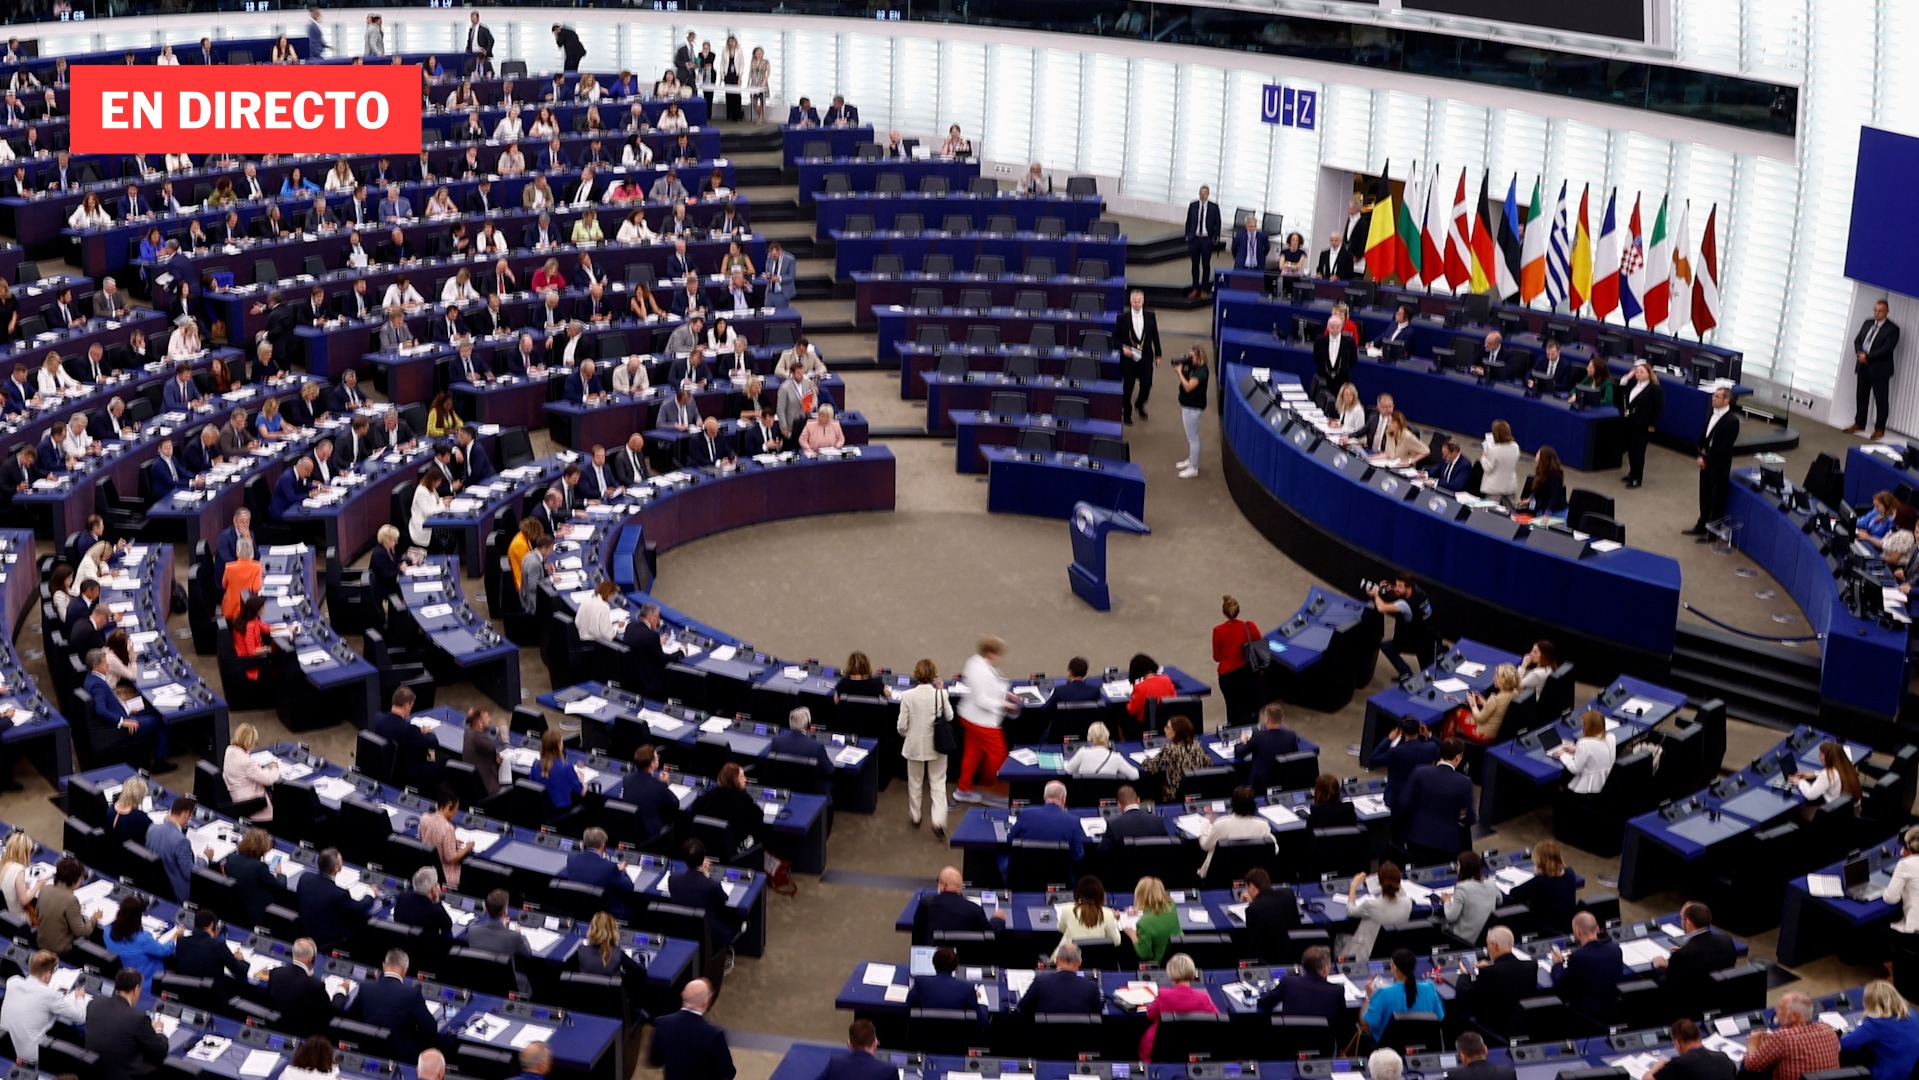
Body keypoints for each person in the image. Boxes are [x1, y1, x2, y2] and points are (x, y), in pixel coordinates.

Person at [953, 636, 1019, 805]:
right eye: (998, 654)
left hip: (970, 717)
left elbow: (990, 687)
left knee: (972, 754)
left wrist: (1006, 694)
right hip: (981, 722)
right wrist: (1004, 703)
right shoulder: (981, 672)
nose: (1000, 658)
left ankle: (964, 789)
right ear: (990, 653)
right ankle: (994, 791)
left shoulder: (975, 662)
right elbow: (982, 699)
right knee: (998, 756)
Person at [2, 948, 87, 1065]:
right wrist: (80, 997)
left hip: (5, 1044)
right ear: (48, 974)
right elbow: (80, 1017)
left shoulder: (13, 982)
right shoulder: (50, 995)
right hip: (33, 1053)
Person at [1398, 738, 1475, 866]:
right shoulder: (1464, 783)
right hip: (1447, 844)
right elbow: (1469, 818)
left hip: (1417, 838)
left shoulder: (1420, 772)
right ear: (1457, 757)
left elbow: (1403, 803)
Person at [353, 950, 439, 1061]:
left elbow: (353, 1016)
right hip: (402, 1056)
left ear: (384, 965)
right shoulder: (412, 994)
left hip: (369, 1051)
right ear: (405, 970)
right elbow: (431, 1027)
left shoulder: (365, 987)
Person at [85, 968, 167, 1080]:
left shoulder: (93, 1004)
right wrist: (158, 1030)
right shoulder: (138, 1018)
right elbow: (160, 1050)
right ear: (137, 989)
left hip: (96, 1072)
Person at [1449, 925, 1533, 1035]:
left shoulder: (1490, 973)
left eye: (1488, 945)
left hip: (1494, 1027)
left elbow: (1467, 996)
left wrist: (1465, 974)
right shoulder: (1531, 966)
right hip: (1520, 1023)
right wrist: (1491, 965)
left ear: (1494, 946)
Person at [296, 847, 379, 953]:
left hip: (306, 931)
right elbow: (360, 908)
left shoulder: (305, 878)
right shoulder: (339, 894)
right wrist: (370, 893)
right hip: (329, 939)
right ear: (336, 868)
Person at [650, 979, 736, 1080]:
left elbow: (655, 1060)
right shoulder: (713, 1035)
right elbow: (728, 1073)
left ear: (682, 995)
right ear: (706, 1002)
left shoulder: (662, 1023)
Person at [1744, 992, 1841, 1080]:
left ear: (1794, 1016)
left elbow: (1752, 1065)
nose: (1775, 1010)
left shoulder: (1782, 1038)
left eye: (1780, 1007)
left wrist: (1752, 1044)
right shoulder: (1828, 1029)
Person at [1550, 911, 1626, 1022]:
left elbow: (1561, 982)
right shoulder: (1615, 950)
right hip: (1613, 1007)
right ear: (1597, 929)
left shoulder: (1579, 958)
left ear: (1577, 932)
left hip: (1588, 1013)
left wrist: (1557, 963)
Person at [1141, 953, 1218, 1061]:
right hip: (1194, 1049)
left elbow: (1150, 1015)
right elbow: (1216, 1020)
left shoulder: (1164, 994)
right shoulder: (1203, 998)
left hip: (1161, 1047)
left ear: (1171, 973)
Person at [1685, 387, 1740, 541]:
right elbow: (1705, 436)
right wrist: (1699, 454)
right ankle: (1701, 525)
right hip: (1706, 463)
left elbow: (1724, 446)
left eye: (1717, 396)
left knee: (1717, 500)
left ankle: (1712, 533)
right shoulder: (1712, 413)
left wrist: (1707, 459)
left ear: (1726, 400)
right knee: (1704, 496)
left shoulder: (1732, 421)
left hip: (1719, 467)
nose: (1713, 398)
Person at [266, 938, 347, 1037]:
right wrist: (341, 990)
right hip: (308, 1034)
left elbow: (270, 1000)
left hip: (281, 1026)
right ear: (311, 959)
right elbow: (334, 1011)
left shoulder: (276, 972)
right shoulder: (316, 985)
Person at [1363, 947, 1445, 1041]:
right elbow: (1440, 1017)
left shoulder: (1383, 993)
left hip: (1389, 1049)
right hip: (1423, 1045)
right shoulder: (1429, 988)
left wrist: (1369, 997)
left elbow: (1367, 1023)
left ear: (1394, 967)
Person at [465, 889, 534, 996]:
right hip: (507, 986)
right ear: (506, 911)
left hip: (480, 982)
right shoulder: (514, 937)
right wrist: (519, 934)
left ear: (486, 909)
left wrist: (504, 930)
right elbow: (527, 955)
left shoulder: (472, 931)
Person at [1012, 782, 1088, 879]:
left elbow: (1010, 840)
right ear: (1064, 799)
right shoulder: (1073, 822)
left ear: (1044, 797)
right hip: (1059, 880)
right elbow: (1078, 856)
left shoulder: (1026, 814)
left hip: (1024, 878)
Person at [173, 907, 249, 1003]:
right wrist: (241, 960)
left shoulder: (181, 941)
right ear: (212, 925)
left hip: (186, 997)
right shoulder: (218, 945)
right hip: (212, 1000)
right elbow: (240, 971)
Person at [104, 894, 180, 988]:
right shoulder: (143, 939)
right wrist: (175, 937)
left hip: (124, 978)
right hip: (145, 981)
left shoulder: (107, 931)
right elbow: (164, 951)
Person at [1849, 299, 1901, 438]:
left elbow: (1887, 349)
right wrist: (1860, 354)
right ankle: (1859, 423)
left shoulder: (1892, 329)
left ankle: (1879, 429)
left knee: (1881, 399)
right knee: (1861, 396)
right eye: (1875, 310)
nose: (1877, 313)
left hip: (1880, 369)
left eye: (1880, 311)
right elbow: (1858, 340)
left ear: (1887, 312)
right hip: (1863, 366)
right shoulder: (1868, 323)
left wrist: (1869, 357)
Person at [1198, 786, 1275, 878]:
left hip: (1221, 876)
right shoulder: (1263, 825)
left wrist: (1205, 823)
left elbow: (1205, 846)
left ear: (1233, 804)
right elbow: (1275, 849)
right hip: (1252, 877)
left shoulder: (1221, 824)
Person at [689, 763, 762, 859]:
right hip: (736, 848)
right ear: (733, 780)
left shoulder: (705, 797)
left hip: (707, 848)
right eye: (741, 776)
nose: (745, 779)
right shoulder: (743, 799)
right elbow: (759, 816)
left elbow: (693, 813)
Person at [1508, 839, 1579, 934]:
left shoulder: (1541, 881)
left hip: (1545, 927)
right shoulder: (1570, 873)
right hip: (1567, 925)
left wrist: (1538, 874)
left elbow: (1514, 893)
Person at [1372, 574, 1435, 680]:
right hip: (1429, 638)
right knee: (1428, 675)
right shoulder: (1421, 593)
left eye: (1399, 587)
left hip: (1415, 640)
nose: (1397, 589)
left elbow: (1382, 608)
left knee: (1387, 646)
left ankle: (1406, 673)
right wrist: (1391, 587)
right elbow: (1400, 592)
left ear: (1408, 588)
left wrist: (1375, 595)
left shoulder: (1404, 604)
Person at [1113, 289, 1161, 425]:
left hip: (1146, 358)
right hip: (1129, 359)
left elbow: (1155, 337)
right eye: (1134, 301)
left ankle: (1139, 404)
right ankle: (1127, 412)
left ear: (1143, 301)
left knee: (1147, 385)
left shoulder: (1151, 316)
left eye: (1139, 301)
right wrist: (1123, 348)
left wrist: (1158, 354)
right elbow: (1114, 339)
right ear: (1130, 301)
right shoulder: (1123, 318)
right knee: (1128, 388)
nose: (1137, 303)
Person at [1346, 862, 1411, 962]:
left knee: (1340, 938)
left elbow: (1350, 910)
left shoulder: (1371, 905)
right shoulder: (1408, 902)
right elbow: (1402, 893)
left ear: (1379, 882)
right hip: (1393, 954)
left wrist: (1354, 885)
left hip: (1363, 953)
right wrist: (1394, 879)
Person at [36, 857, 97, 961]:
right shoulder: (71, 900)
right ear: (74, 881)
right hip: (60, 952)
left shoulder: (46, 889)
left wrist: (75, 909)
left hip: (41, 945)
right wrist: (94, 919)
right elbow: (82, 931)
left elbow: (39, 913)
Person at [1020, 940, 1102, 1015]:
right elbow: (1098, 1015)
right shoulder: (1091, 988)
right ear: (1080, 963)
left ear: (1057, 960)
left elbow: (1022, 1007)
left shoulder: (1041, 982)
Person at [914, 866, 996, 942]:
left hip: (935, 956)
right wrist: (998, 920)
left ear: (943, 885)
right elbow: (990, 935)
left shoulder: (927, 904)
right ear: (960, 888)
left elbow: (918, 931)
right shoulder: (975, 910)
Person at [1141, 715, 1209, 802]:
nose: (1164, 729)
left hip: (1174, 793)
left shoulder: (1171, 749)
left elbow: (1151, 767)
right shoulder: (1197, 745)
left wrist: (1144, 760)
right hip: (1196, 791)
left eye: (1168, 727)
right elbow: (1208, 762)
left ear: (1176, 732)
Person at [1619, 360, 1664, 487]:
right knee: (1630, 450)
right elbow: (1622, 389)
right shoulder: (1633, 383)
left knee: (1638, 451)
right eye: (1637, 372)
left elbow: (1658, 408)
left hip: (1642, 425)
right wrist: (1628, 376)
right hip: (1629, 422)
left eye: (1641, 372)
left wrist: (1652, 424)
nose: (1638, 374)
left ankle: (1637, 478)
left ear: (1649, 374)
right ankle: (1632, 472)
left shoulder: (1654, 389)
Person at [1440, 852, 1501, 945]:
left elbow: (1451, 917)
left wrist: (1446, 900)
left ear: (1463, 868)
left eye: (1458, 865)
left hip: (1464, 939)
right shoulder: (1491, 882)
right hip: (1486, 937)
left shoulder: (1461, 888)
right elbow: (1500, 900)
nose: (1457, 868)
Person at [1553, 708, 1617, 796]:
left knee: (1562, 780)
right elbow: (1598, 749)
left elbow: (1575, 769)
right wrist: (1577, 749)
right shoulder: (1611, 737)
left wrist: (1563, 755)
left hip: (1588, 789)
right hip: (1606, 782)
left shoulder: (1584, 743)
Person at [1646, 1019, 1737, 1080]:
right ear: (1700, 1037)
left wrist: (1656, 1067)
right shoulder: (1723, 1057)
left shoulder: (1679, 1063)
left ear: (1678, 1043)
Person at [1051, 874, 1119, 955]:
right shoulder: (1108, 914)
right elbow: (1116, 941)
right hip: (1096, 960)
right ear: (1101, 894)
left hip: (1068, 959)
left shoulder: (1067, 909)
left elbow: (1061, 928)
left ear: (1078, 893)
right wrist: (1115, 921)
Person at [224, 722, 280, 819]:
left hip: (235, 796)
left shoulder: (229, 750)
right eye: (255, 742)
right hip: (251, 803)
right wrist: (275, 768)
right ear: (249, 742)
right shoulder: (247, 763)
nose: (255, 745)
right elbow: (268, 780)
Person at [1790, 739, 1864, 809]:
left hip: (1833, 811)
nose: (1819, 757)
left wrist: (1799, 782)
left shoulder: (1826, 774)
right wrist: (1815, 774)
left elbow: (1810, 795)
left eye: (1821, 754)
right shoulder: (1847, 766)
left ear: (1828, 757)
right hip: (1852, 809)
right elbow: (1836, 776)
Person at [1459, 664, 1520, 744]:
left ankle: (1447, 748)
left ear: (1503, 680)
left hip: (1484, 734)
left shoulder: (1494, 699)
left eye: (1496, 676)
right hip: (1498, 733)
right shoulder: (1514, 693)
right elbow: (1497, 709)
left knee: (1457, 713)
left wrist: (1473, 704)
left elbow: (1480, 718)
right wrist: (1484, 702)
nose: (1494, 678)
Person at [1174, 344, 1210, 477]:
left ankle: (1193, 467)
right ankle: (1191, 460)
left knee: (1193, 438)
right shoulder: (1194, 368)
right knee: (1191, 437)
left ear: (1199, 357)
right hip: (1188, 405)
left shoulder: (1201, 372)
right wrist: (1182, 370)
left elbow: (1188, 387)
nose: (1189, 358)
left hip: (1193, 408)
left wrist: (1179, 373)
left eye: (1192, 356)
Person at [530, 728, 582, 816]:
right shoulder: (566, 767)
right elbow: (580, 791)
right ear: (559, 746)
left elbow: (532, 787)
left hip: (540, 811)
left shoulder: (536, 765)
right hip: (562, 812)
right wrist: (581, 775)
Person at [1065, 722, 1140, 779]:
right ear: (1107, 737)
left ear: (1089, 738)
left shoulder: (1082, 753)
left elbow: (1068, 770)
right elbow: (1135, 775)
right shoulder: (1116, 758)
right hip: (1109, 798)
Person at [1184, 185, 1221, 296]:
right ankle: (1195, 288)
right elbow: (1188, 222)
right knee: (1195, 265)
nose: (1202, 195)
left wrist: (1213, 237)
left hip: (1206, 240)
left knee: (1206, 265)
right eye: (1201, 192)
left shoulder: (1214, 207)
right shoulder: (1193, 205)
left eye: (1205, 193)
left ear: (1208, 194)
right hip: (1194, 239)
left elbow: (1218, 224)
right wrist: (1188, 235)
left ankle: (1204, 289)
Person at [1480, 421, 1521, 507]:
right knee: (1511, 512)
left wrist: (1484, 457)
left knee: (1490, 512)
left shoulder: (1494, 450)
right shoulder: (1515, 446)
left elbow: (1488, 468)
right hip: (1510, 485)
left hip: (1494, 488)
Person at [1520, 446, 1568, 514]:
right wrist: (1529, 501)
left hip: (1555, 511)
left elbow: (1555, 496)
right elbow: (1539, 492)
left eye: (1538, 453)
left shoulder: (1555, 475)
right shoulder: (1540, 471)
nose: (1536, 454)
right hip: (1542, 508)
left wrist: (1548, 512)